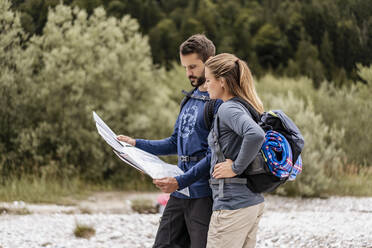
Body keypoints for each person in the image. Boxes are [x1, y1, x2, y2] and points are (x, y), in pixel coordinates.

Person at [117, 34, 221, 248]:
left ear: (210, 61)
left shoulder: (217, 103)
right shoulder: (188, 99)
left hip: (204, 194)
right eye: (185, 67)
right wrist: (136, 144)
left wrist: (180, 182)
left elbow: (215, 156)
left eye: (193, 67)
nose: (188, 73)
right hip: (180, 191)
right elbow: (175, 143)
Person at [204, 53, 266, 248]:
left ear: (221, 81)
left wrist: (236, 168)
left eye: (208, 80)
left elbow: (255, 134)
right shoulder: (244, 106)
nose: (205, 86)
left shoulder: (227, 109)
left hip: (232, 206)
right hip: (250, 202)